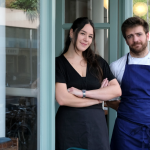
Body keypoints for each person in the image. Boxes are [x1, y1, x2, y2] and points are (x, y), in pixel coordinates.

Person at [55, 17, 121, 150]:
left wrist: (83, 93)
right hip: (69, 125)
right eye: (83, 33)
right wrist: (98, 98)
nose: (86, 39)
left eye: (90, 36)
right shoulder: (59, 63)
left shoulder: (98, 62)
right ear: (72, 33)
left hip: (96, 125)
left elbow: (116, 90)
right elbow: (62, 99)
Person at [106, 16, 150, 150]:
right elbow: (109, 99)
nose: (135, 39)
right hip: (126, 131)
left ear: (148, 35)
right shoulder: (116, 67)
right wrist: (130, 110)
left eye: (139, 34)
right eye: (130, 36)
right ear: (126, 41)